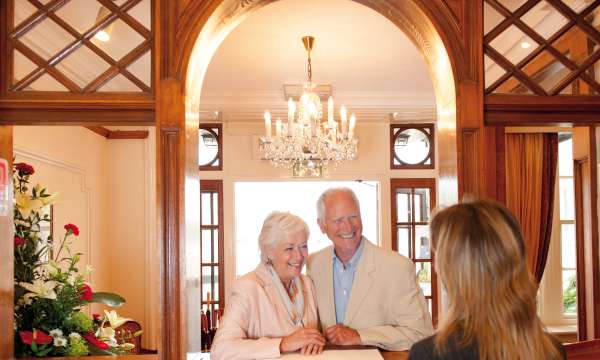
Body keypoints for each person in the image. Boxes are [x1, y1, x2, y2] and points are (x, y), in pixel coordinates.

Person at [409, 199, 566, 360]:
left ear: (455, 273)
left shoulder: (430, 354)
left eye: (439, 258)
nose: (436, 268)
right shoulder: (551, 350)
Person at [307, 187, 433, 351]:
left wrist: (360, 336)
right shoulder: (314, 264)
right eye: (338, 220)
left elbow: (421, 334)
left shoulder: (398, 267)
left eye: (353, 216)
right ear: (322, 225)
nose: (348, 226)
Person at [211, 212, 325, 360]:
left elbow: (315, 337)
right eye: (289, 248)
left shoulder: (308, 284)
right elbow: (220, 350)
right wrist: (282, 344)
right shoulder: (247, 287)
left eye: (303, 246)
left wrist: (316, 341)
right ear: (268, 250)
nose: (299, 256)